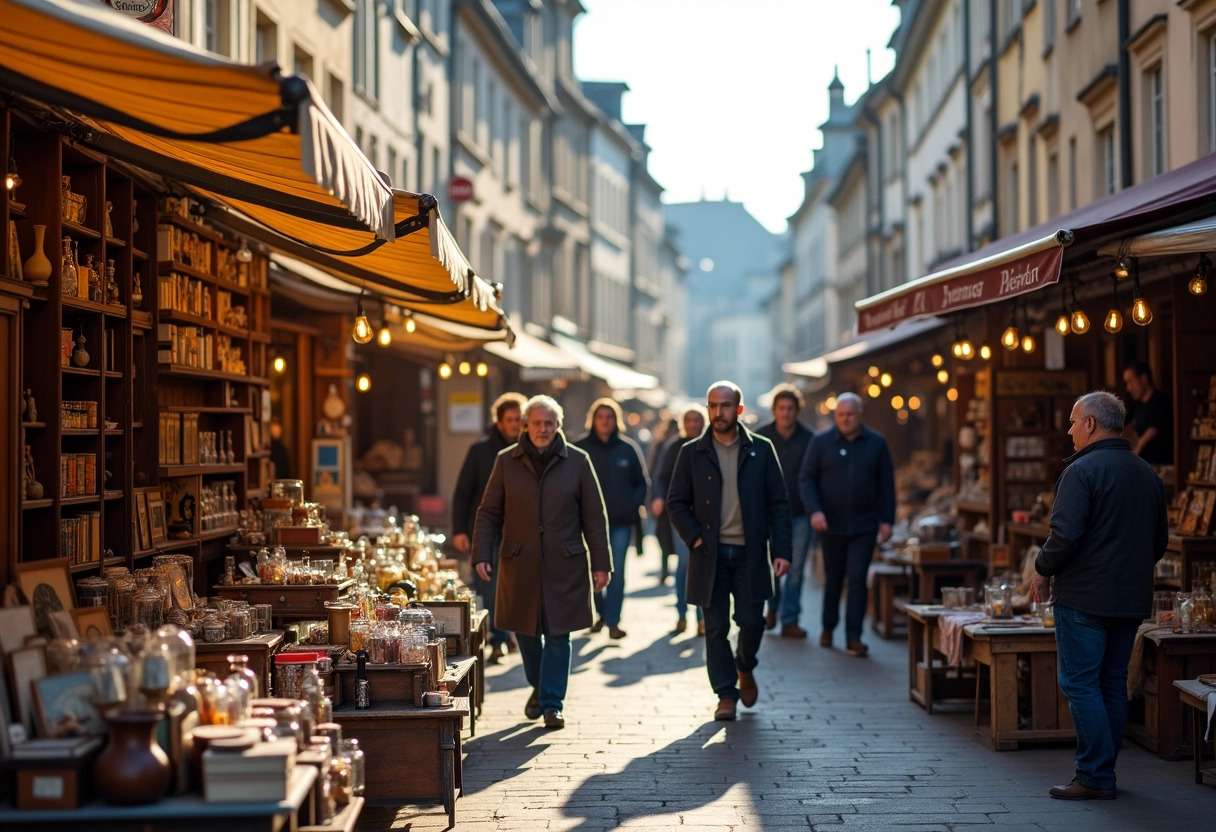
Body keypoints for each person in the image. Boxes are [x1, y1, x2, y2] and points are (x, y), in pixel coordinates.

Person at [1030, 391, 1167, 800]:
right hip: (1129, 599)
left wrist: (1041, 570)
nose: (1070, 431)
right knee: (1110, 683)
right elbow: (1158, 543)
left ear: (1091, 423)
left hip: (1085, 598)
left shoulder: (1082, 470)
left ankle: (1093, 775)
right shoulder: (1147, 472)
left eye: (1074, 422)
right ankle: (1103, 773)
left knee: (1081, 683)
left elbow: (1064, 534)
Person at [472, 395, 611, 729]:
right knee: (526, 632)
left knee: (559, 633)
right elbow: (489, 512)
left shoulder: (578, 461)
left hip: (565, 563)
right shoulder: (506, 461)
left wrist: (601, 563)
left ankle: (551, 702)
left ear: (558, 426)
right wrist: (481, 553)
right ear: (526, 425)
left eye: (549, 423)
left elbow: (594, 516)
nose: (543, 429)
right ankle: (538, 686)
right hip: (520, 563)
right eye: (536, 423)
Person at [667, 381, 791, 721]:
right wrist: (693, 537)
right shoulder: (691, 452)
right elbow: (676, 502)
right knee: (717, 625)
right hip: (710, 554)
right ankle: (725, 693)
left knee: (753, 620)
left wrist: (781, 550)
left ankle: (745, 665)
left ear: (738, 409)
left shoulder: (761, 449)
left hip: (750, 553)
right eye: (712, 405)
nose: (718, 412)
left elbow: (779, 504)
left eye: (725, 405)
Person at [798, 392, 894, 657]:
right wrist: (815, 511)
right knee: (833, 578)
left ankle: (854, 636)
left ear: (860, 414)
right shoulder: (821, 442)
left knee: (857, 579)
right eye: (840, 414)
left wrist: (888, 520)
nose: (845, 419)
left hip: (865, 524)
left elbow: (887, 484)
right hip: (830, 524)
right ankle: (828, 627)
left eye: (850, 414)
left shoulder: (876, 443)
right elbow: (806, 479)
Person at [451, 392, 526, 663]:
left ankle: (508, 634)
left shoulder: (529, 449)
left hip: (519, 529)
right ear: (499, 420)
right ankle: (498, 637)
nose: (515, 424)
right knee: (490, 585)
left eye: (519, 419)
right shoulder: (480, 450)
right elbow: (463, 492)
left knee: (516, 585)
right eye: (510, 419)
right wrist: (459, 529)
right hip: (487, 528)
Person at [574, 398, 649, 639]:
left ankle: (614, 621)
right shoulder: (580, 449)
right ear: (593, 420)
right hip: (587, 524)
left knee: (616, 572)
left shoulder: (628, 448)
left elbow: (642, 482)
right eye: (600, 417)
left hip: (620, 522)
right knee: (591, 570)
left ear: (616, 420)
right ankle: (598, 614)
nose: (605, 422)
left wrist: (631, 504)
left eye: (609, 417)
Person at [755, 383, 816, 638]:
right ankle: (772, 608)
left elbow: (813, 476)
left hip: (799, 514)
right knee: (769, 567)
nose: (786, 413)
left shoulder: (810, 438)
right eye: (781, 408)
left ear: (797, 410)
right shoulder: (760, 437)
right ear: (775, 410)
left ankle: (790, 619)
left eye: (790, 408)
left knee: (796, 569)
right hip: (766, 514)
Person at [653, 405, 708, 633]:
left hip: (706, 516)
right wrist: (659, 498)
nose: (694, 424)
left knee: (703, 567)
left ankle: (702, 617)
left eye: (697, 420)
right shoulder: (674, 447)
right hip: (681, 515)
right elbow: (661, 477)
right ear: (683, 423)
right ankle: (682, 613)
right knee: (685, 564)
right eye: (690, 420)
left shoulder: (709, 445)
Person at [649, 417, 681, 584]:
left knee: (668, 536)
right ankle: (665, 569)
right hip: (665, 498)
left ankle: (671, 569)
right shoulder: (662, 445)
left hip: (675, 499)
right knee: (663, 535)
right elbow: (655, 472)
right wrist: (656, 496)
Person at [1122, 361, 1173, 465]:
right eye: (1127, 383)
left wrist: (1133, 454)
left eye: (1131, 382)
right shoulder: (1138, 406)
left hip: (1159, 465)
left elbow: (1152, 430)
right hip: (1144, 464)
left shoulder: (1160, 400)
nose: (1129, 388)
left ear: (1144, 378)